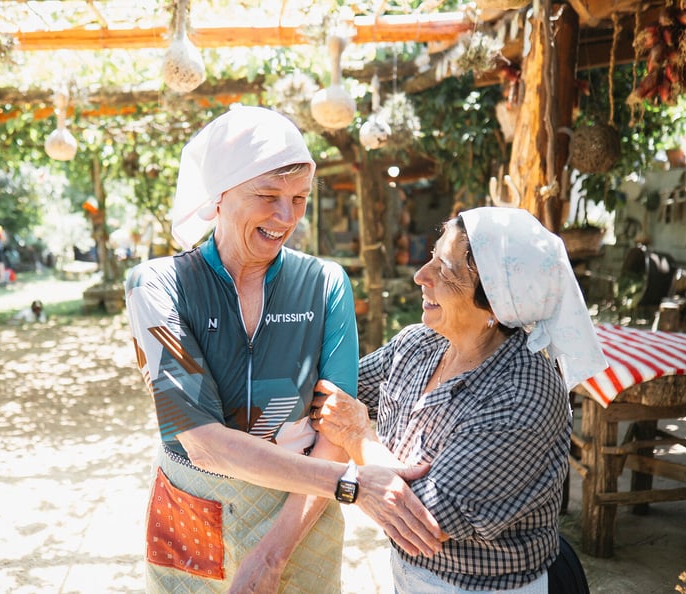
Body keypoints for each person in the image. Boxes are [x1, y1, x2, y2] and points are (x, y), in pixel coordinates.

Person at [125, 105, 444, 594]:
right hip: (194, 503)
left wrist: (274, 553)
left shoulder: (324, 283)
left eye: (299, 198)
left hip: (300, 516)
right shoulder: (157, 286)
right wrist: (351, 484)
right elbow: (202, 442)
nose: (287, 217)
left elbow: (333, 424)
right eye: (268, 196)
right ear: (219, 195)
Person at [310, 206, 607, 593]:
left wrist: (357, 436)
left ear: (497, 302)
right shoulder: (420, 344)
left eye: (445, 270)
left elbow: (424, 518)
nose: (421, 275)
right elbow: (335, 390)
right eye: (432, 256)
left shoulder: (523, 393)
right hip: (409, 574)